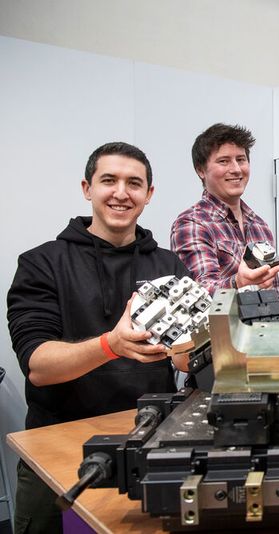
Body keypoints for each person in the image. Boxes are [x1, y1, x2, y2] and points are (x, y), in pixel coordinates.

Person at [7, 142, 192, 534]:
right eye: (109, 180)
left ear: (149, 195)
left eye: (134, 183)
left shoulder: (169, 265)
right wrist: (111, 345)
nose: (121, 193)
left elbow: (183, 357)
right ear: (87, 188)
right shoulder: (42, 263)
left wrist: (214, 330)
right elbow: (38, 366)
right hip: (55, 451)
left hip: (148, 446)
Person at [171, 123, 279, 295]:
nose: (236, 169)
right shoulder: (192, 223)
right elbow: (198, 294)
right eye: (224, 161)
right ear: (201, 170)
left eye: (241, 159)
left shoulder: (260, 225)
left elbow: (273, 290)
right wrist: (238, 282)